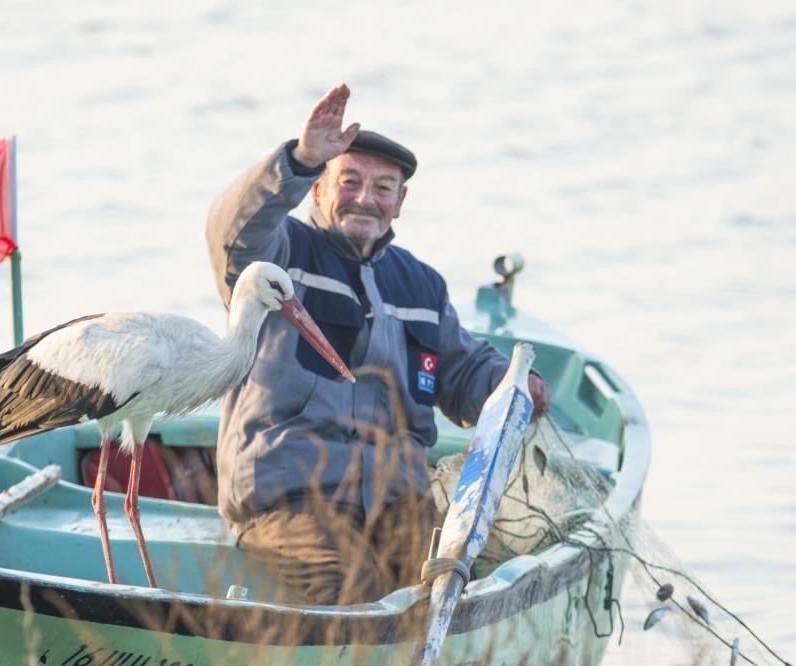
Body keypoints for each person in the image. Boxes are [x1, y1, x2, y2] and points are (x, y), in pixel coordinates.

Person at [205, 83, 550, 605]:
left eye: (383, 187)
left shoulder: (421, 283)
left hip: (396, 499)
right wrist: (298, 160)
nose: (366, 197)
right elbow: (232, 232)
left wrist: (514, 385)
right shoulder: (282, 255)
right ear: (318, 189)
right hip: (291, 497)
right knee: (354, 590)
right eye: (349, 181)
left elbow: (461, 370)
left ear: (400, 203)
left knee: (451, 588)